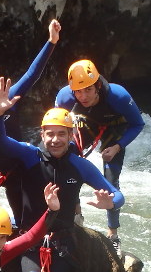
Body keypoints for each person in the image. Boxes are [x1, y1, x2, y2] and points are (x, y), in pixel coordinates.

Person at [0, 77, 124, 272]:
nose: (55, 140)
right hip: (29, 239)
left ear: (70, 134)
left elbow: (117, 194)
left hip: (62, 242)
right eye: (49, 134)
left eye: (61, 134)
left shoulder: (79, 165)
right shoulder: (29, 156)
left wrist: (110, 202)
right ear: (42, 134)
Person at [0, 19, 61, 219]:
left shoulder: (10, 96)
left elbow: (31, 74)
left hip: (18, 166)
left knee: (23, 215)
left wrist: (51, 42)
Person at [55, 59, 144, 253]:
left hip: (115, 128)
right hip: (86, 123)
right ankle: (76, 214)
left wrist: (118, 147)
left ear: (97, 85)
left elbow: (138, 124)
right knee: (67, 162)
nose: (83, 96)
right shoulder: (64, 97)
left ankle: (113, 235)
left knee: (111, 180)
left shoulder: (118, 95)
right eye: (78, 91)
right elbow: (56, 126)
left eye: (88, 89)